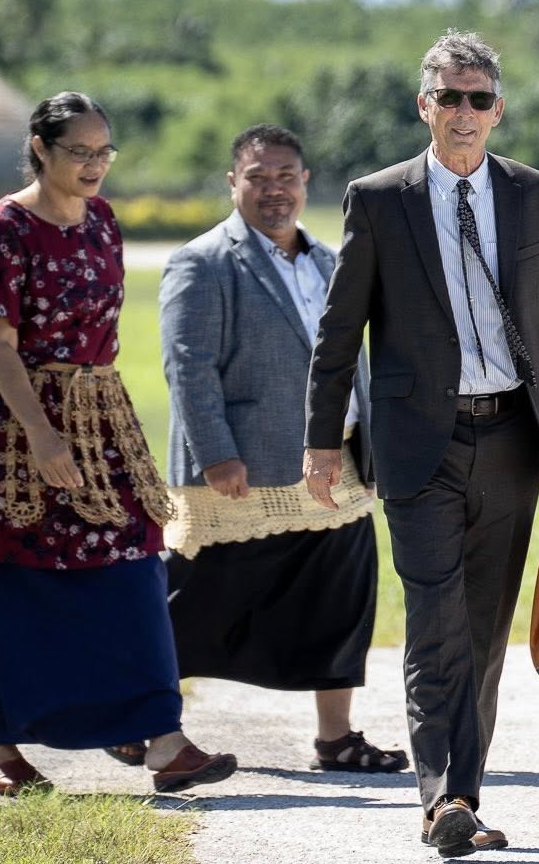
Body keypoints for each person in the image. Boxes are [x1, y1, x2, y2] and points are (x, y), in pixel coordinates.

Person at [303, 31, 539, 859]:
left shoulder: (535, 194)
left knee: (481, 626)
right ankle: (440, 800)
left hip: (511, 435)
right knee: (435, 619)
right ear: (422, 104)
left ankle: (464, 789)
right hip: (415, 441)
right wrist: (322, 441)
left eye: (478, 98)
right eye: (448, 96)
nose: (463, 112)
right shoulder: (380, 197)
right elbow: (338, 331)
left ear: (497, 109)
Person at [0, 91, 237, 797]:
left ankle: (162, 738)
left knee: (134, 563)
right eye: (81, 151)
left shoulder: (103, 220)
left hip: (102, 414)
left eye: (105, 151)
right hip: (22, 424)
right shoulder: (5, 226)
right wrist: (41, 434)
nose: (96, 165)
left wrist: (89, 417)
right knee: (21, 581)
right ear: (41, 148)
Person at [156, 124, 405, 774]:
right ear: (232, 182)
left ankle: (335, 737)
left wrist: (374, 454)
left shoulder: (331, 260)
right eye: (258, 177)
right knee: (192, 601)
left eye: (286, 176)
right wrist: (215, 452)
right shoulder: (202, 261)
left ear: (306, 182)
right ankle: (144, 721)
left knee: (340, 598)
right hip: (242, 468)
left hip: (336, 464)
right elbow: (188, 366)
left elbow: (358, 364)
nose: (273, 190)